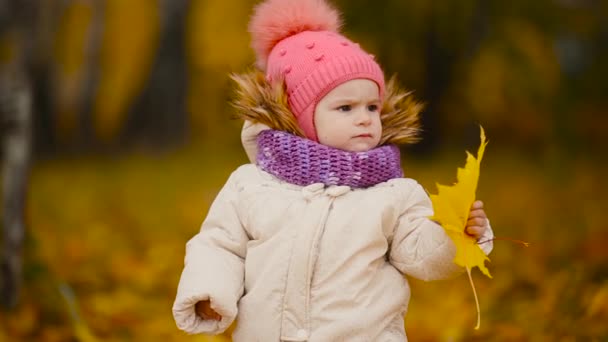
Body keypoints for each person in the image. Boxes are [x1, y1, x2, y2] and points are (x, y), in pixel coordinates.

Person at [172, 0, 493, 340]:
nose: (364, 118)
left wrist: (454, 235)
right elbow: (220, 244)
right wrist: (211, 291)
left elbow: (421, 254)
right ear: (296, 115)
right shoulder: (251, 186)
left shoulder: (394, 195)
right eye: (345, 107)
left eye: (372, 106)